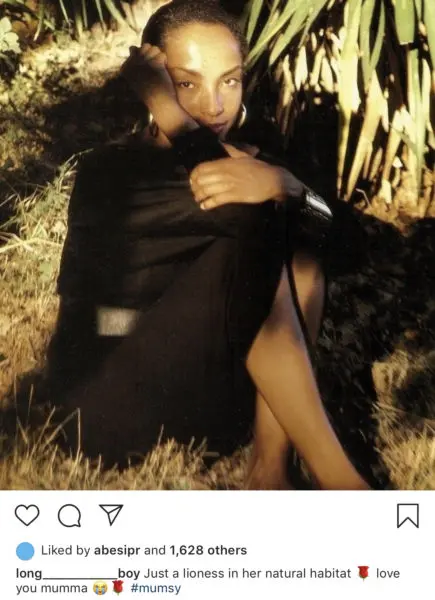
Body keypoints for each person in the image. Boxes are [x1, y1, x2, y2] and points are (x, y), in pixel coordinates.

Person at [45, 0, 369, 490]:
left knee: (300, 252)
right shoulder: (112, 173)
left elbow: (345, 241)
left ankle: (270, 469)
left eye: (229, 81)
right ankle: (342, 481)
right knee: (265, 222)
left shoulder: (252, 162)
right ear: (151, 84)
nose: (214, 106)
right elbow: (237, 206)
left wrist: (290, 186)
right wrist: (170, 114)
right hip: (107, 402)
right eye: (186, 84)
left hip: (212, 398)